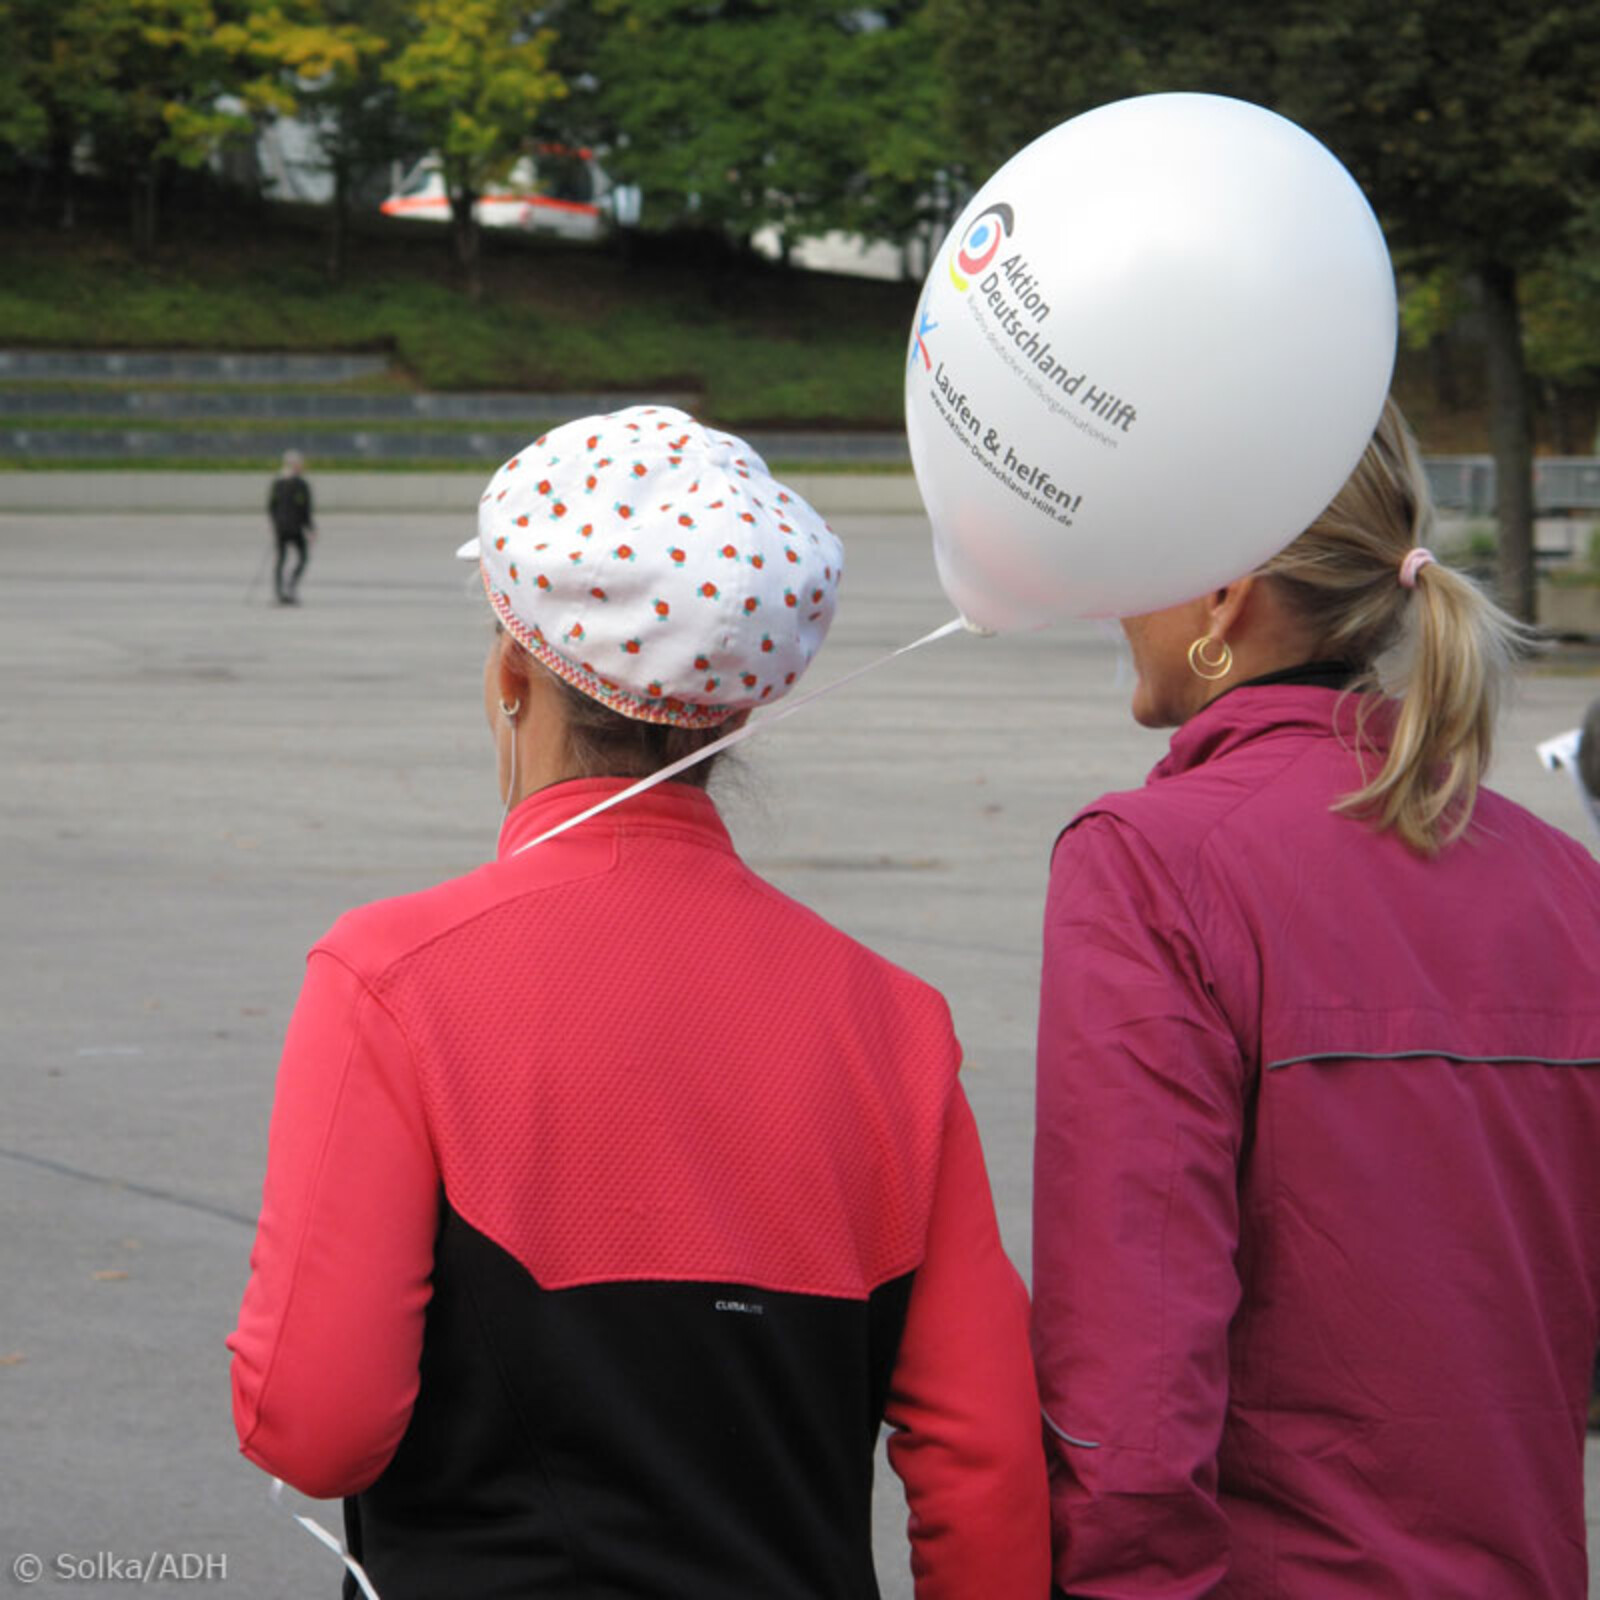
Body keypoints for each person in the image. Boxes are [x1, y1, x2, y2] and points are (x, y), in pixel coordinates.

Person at [229, 406, 1050, 1599]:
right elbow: (983, 1472)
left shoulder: (389, 980)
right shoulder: (896, 1024)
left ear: (513, 675)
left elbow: (311, 1426)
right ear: (741, 708)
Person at [1032, 398, 1600, 1598]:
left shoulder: (1149, 861)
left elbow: (1132, 1369)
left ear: (1224, 595)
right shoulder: (1567, 884)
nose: (1112, 604)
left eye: (1137, 561)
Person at [268, 449, 315, 605]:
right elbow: (305, 508)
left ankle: (281, 591)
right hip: (293, 528)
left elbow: (271, 507)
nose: (302, 466)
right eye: (299, 464)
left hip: (281, 528)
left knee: (282, 559)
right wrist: (310, 528)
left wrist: (275, 524)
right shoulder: (300, 484)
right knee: (301, 558)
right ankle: (289, 588)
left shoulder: (278, 482)